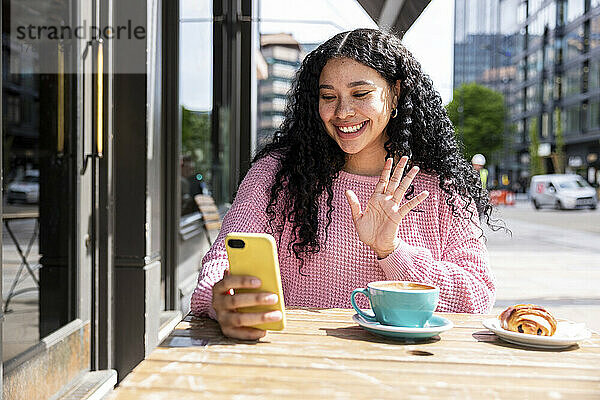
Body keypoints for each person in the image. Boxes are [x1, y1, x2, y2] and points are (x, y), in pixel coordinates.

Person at [191, 29, 496, 340]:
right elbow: (221, 263)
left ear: (395, 93)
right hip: (294, 369)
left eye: (360, 94)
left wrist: (392, 251)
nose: (341, 112)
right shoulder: (276, 175)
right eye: (328, 96)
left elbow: (478, 296)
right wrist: (223, 302)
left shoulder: (442, 187)